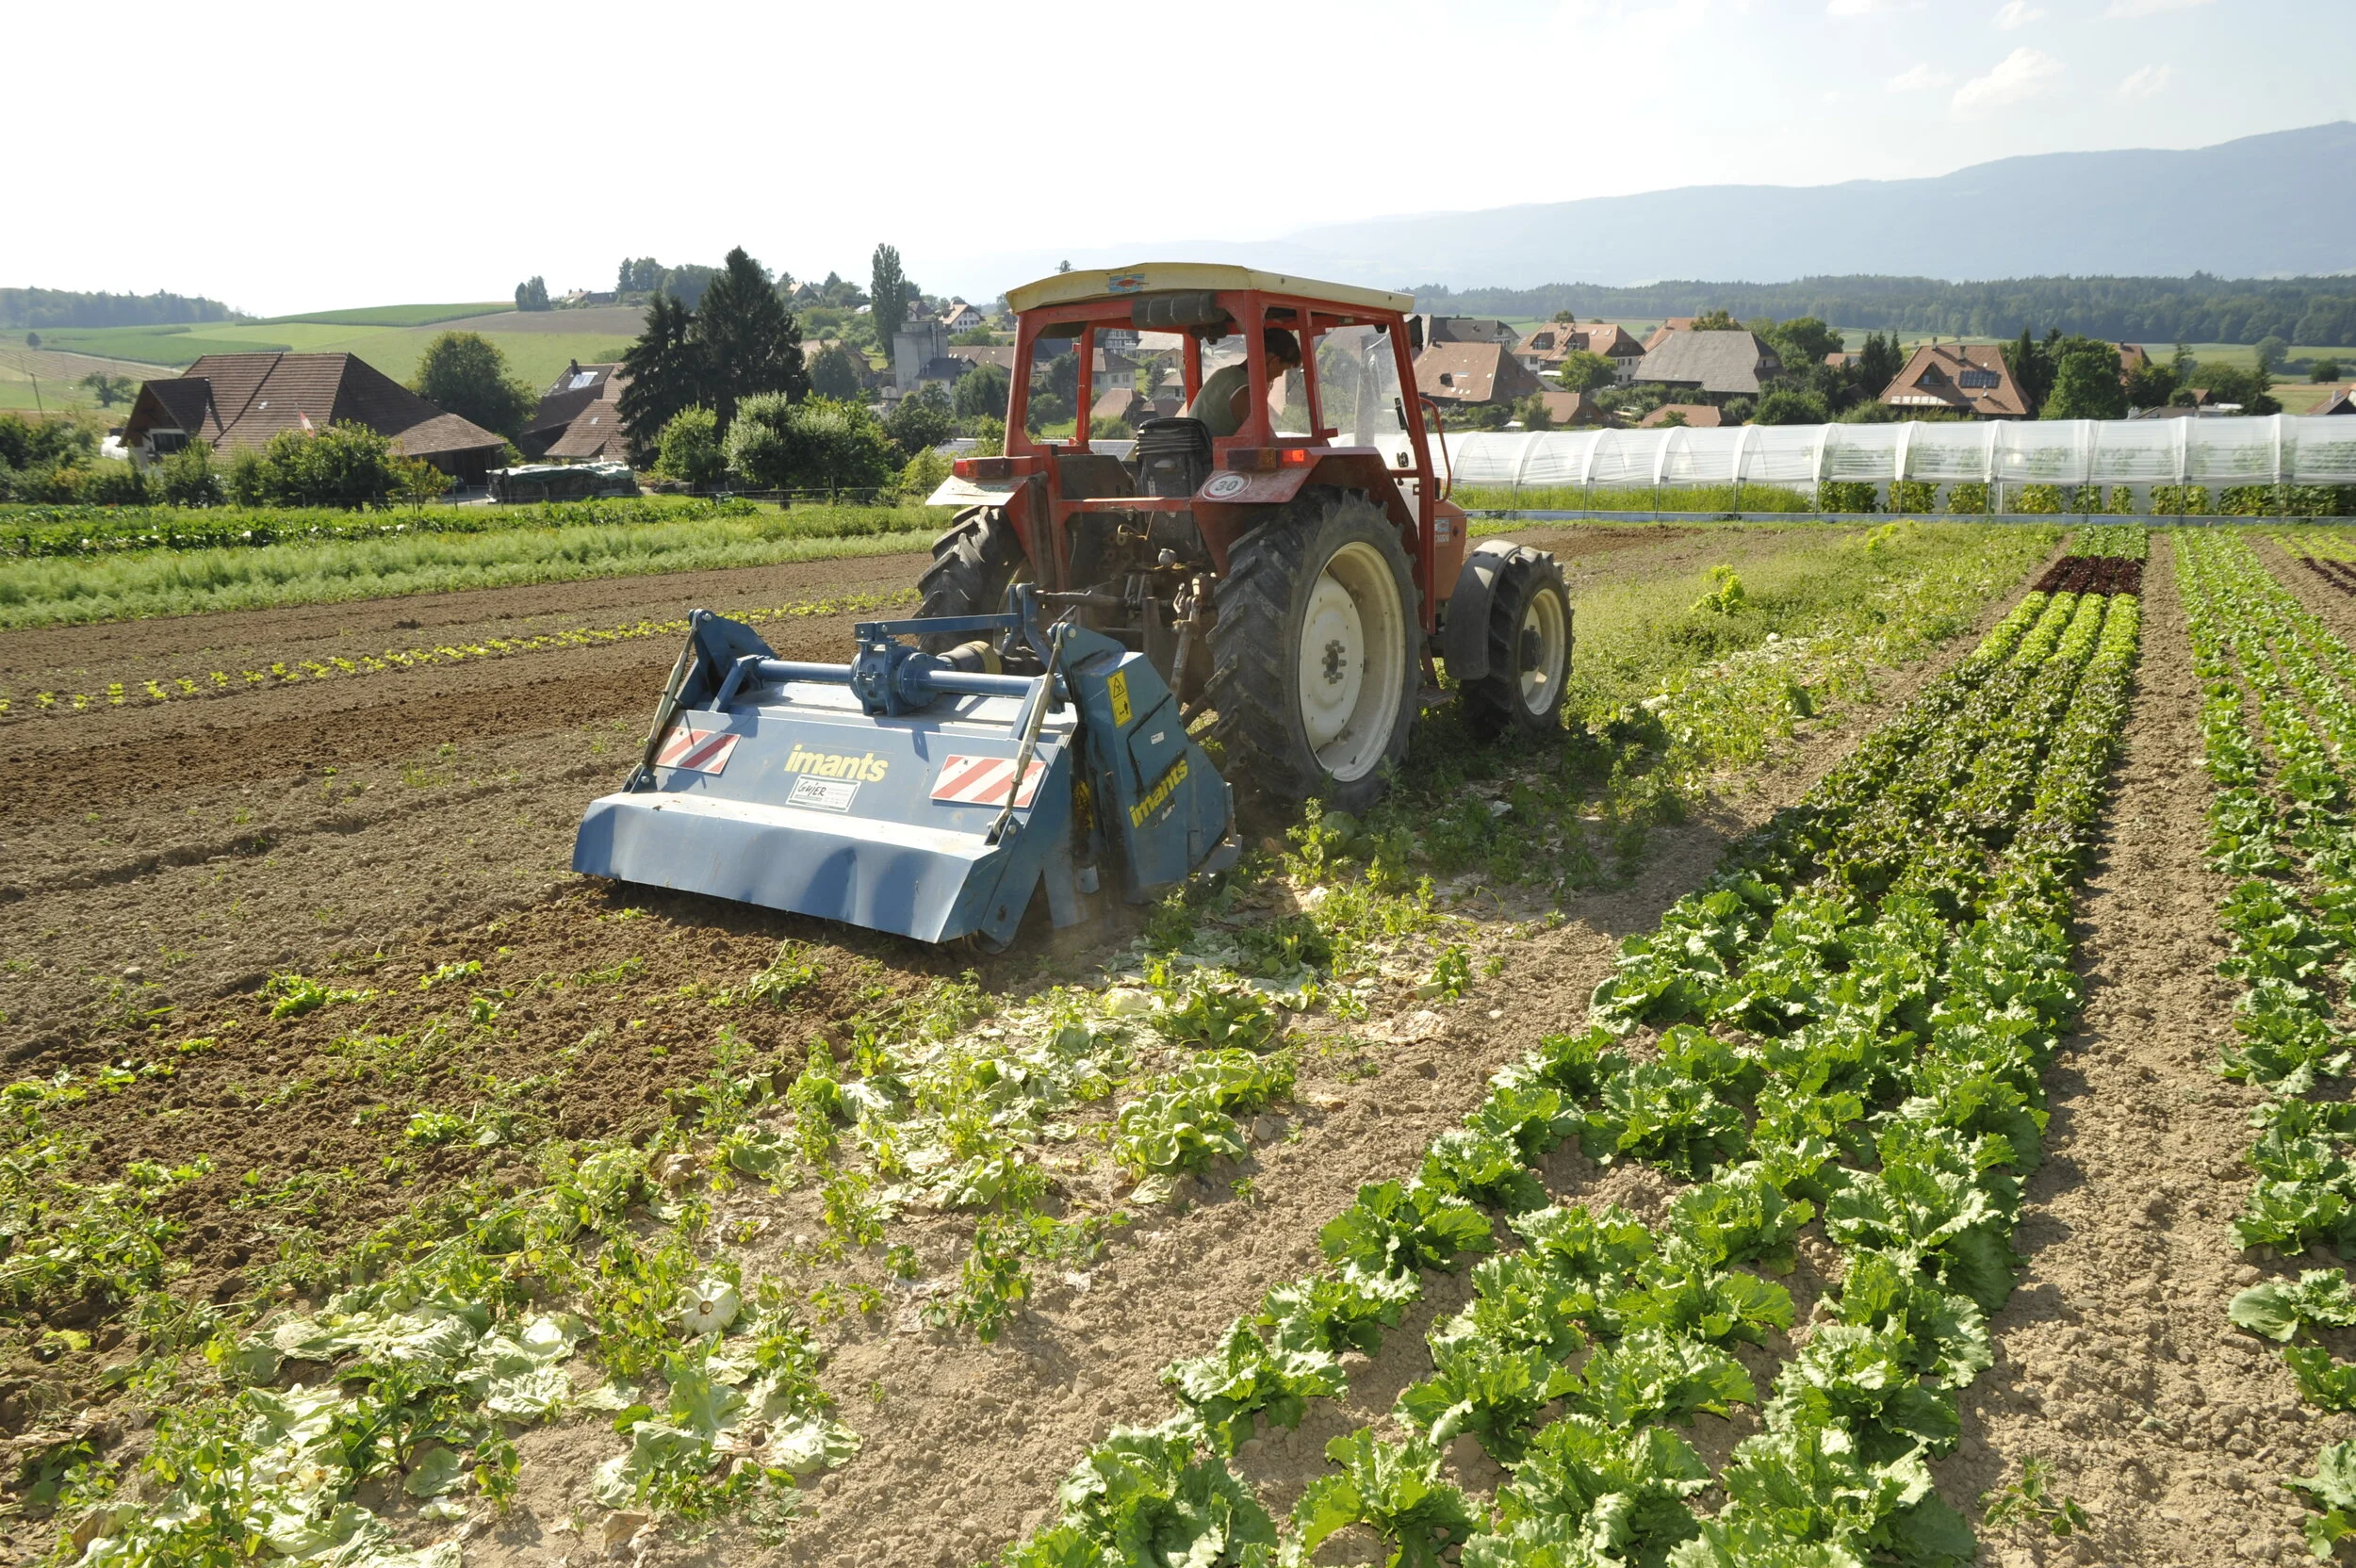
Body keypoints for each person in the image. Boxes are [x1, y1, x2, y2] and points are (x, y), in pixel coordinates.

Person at [1186, 328, 1301, 437]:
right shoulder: (1244, 391)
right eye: (1283, 369)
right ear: (1274, 361)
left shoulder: (1224, 375)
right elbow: (1265, 440)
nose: (1280, 374)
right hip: (1209, 457)